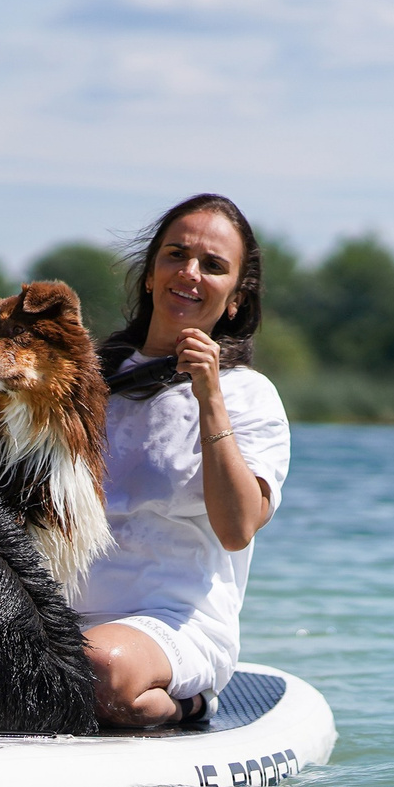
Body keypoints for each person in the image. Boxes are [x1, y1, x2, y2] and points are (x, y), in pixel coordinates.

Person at [75, 193, 292, 728]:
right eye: (176, 255)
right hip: (57, 615)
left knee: (94, 669)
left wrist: (209, 397)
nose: (189, 273)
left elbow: (238, 527)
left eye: (213, 266)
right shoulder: (84, 381)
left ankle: (191, 703)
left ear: (235, 298)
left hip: (173, 623)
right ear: (151, 273)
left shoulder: (248, 395)